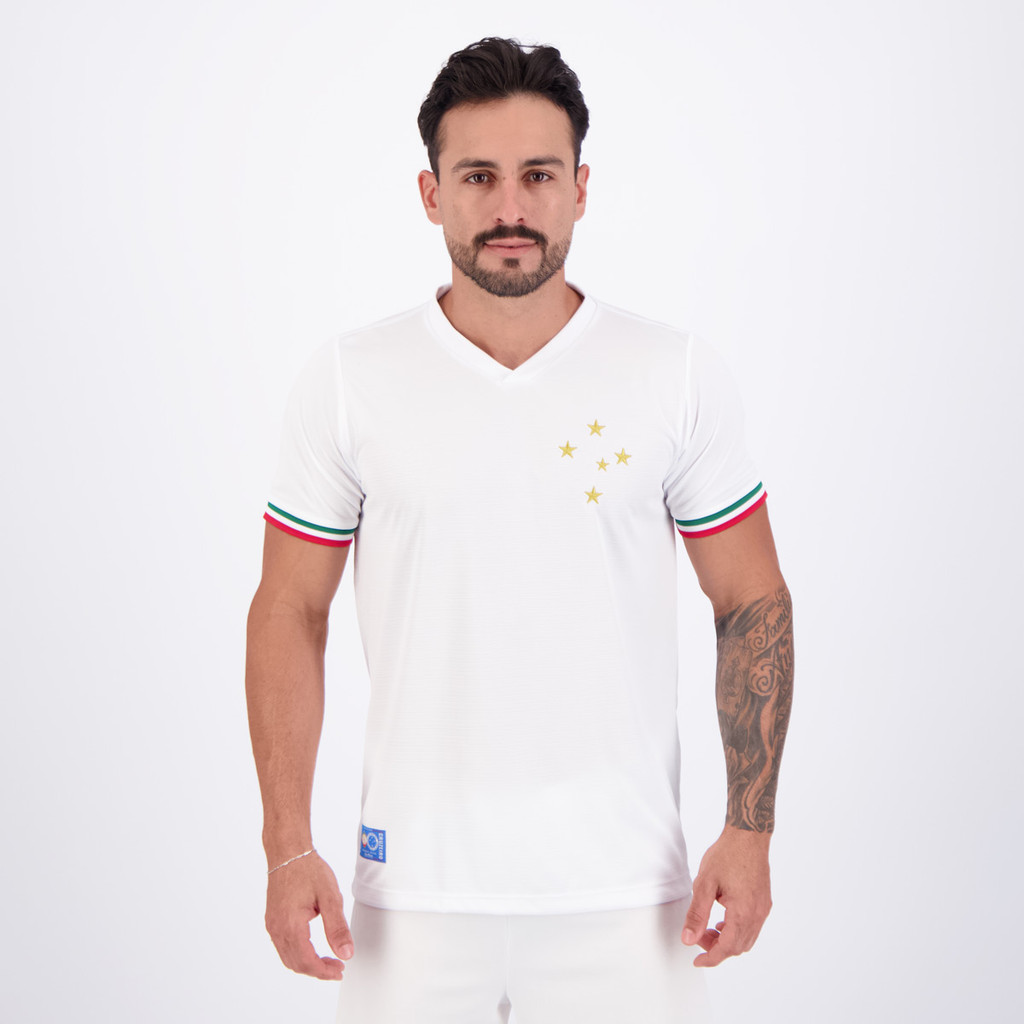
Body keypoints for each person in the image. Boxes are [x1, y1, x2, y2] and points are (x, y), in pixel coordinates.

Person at [245, 36, 793, 1024]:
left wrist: (747, 831)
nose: (510, 208)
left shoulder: (671, 374)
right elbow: (289, 609)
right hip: (411, 897)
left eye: (538, 175)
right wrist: (288, 848)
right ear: (431, 194)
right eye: (478, 177)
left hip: (626, 896)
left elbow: (749, 598)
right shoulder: (350, 381)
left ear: (581, 189)